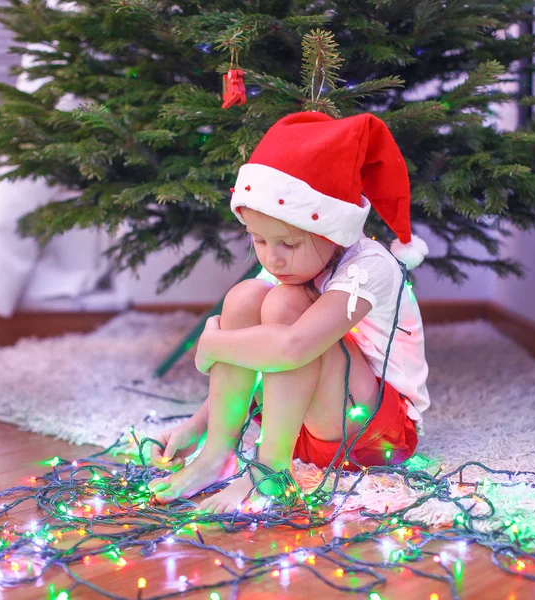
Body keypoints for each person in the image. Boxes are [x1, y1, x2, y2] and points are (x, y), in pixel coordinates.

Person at [148, 111, 431, 512]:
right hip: (300, 425)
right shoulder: (294, 263)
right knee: (247, 296)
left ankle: (272, 471)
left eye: (288, 244)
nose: (274, 258)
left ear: (331, 231)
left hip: (368, 432)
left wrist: (211, 344)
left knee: (283, 304)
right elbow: (253, 353)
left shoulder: (371, 267)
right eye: (259, 240)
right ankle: (216, 456)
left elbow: (293, 348)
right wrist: (197, 426)